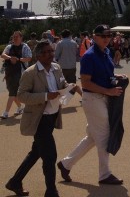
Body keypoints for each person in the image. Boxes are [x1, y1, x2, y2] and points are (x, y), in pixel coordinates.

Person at [4, 40, 78, 197]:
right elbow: (21, 95)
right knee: (50, 155)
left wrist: (69, 86)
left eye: (51, 51)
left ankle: (15, 182)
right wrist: (45, 96)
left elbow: (61, 83)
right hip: (39, 120)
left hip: (52, 117)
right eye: (45, 52)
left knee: (36, 152)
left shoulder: (56, 68)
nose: (50, 54)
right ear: (37, 56)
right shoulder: (30, 73)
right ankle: (51, 191)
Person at [58, 25, 125, 186]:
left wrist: (116, 75)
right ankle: (104, 174)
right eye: (103, 36)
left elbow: (103, 74)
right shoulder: (89, 56)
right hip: (94, 99)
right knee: (103, 136)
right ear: (94, 37)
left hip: (101, 98)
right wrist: (108, 91)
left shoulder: (105, 52)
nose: (107, 38)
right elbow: (86, 82)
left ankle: (66, 164)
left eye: (109, 35)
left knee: (93, 137)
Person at [2, 31, 32, 119]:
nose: (14, 38)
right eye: (14, 37)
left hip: (20, 72)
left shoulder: (25, 47)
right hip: (9, 72)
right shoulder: (9, 46)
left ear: (21, 38)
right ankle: (20, 107)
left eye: (17, 37)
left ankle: (6, 113)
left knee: (12, 92)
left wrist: (18, 59)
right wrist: (10, 58)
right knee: (13, 91)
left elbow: (29, 58)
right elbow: (3, 55)